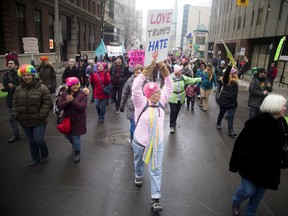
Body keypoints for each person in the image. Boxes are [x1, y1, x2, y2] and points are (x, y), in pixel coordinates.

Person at [229, 94, 288, 216]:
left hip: (269, 170)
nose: (285, 109)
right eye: (283, 106)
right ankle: (236, 201)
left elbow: (285, 144)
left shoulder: (282, 123)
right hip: (251, 167)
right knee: (248, 191)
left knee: (256, 199)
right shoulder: (255, 122)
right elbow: (240, 144)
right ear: (275, 107)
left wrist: (284, 159)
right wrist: (235, 165)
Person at [131, 60, 173, 212]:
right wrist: (147, 69)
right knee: (139, 162)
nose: (160, 93)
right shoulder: (140, 102)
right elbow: (136, 87)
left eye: (159, 91)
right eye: (157, 92)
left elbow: (169, 86)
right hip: (140, 142)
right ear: (149, 94)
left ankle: (155, 199)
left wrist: (163, 67)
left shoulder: (161, 101)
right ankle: (138, 174)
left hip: (157, 144)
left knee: (156, 170)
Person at [12, 64, 53, 166]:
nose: (26, 77)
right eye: (24, 75)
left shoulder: (42, 88)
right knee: (31, 141)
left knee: (38, 139)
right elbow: (14, 102)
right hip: (24, 120)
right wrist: (16, 114)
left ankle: (44, 154)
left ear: (33, 75)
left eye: (28, 75)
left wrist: (41, 115)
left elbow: (47, 103)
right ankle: (35, 157)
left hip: (39, 120)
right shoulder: (18, 89)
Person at [57, 77, 88, 163]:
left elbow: (82, 107)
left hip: (78, 120)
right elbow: (59, 105)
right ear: (69, 85)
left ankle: (77, 153)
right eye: (73, 84)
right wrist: (67, 102)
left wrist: (73, 101)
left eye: (77, 84)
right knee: (67, 136)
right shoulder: (63, 94)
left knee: (76, 137)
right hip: (67, 119)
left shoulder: (83, 94)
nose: (75, 86)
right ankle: (73, 144)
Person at [119, 64, 149, 143]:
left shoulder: (146, 81)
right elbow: (125, 93)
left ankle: (140, 141)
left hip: (143, 108)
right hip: (132, 107)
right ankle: (133, 141)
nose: (137, 74)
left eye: (139, 72)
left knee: (141, 126)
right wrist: (121, 105)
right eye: (136, 72)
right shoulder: (130, 81)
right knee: (133, 127)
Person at [168, 65, 201, 134]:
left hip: (181, 97)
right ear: (176, 71)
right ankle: (171, 126)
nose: (181, 71)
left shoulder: (183, 77)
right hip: (172, 97)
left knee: (177, 111)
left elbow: (191, 80)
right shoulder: (170, 78)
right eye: (180, 70)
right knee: (173, 111)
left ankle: (174, 121)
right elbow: (165, 86)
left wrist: (201, 79)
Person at [1, 59, 21, 143]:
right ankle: (16, 134)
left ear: (16, 65)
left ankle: (30, 132)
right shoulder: (6, 75)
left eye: (11, 63)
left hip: (21, 100)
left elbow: (23, 87)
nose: (9, 65)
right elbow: (6, 88)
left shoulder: (20, 74)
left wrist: (14, 87)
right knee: (12, 118)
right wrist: (3, 88)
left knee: (23, 118)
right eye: (8, 63)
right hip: (10, 100)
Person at [216, 65, 239, 137]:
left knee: (231, 116)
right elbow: (226, 74)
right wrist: (229, 67)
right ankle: (218, 123)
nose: (235, 74)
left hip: (233, 103)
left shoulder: (236, 81)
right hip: (224, 101)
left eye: (236, 73)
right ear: (231, 74)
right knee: (222, 113)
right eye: (234, 73)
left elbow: (241, 71)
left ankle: (230, 130)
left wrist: (245, 63)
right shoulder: (226, 80)